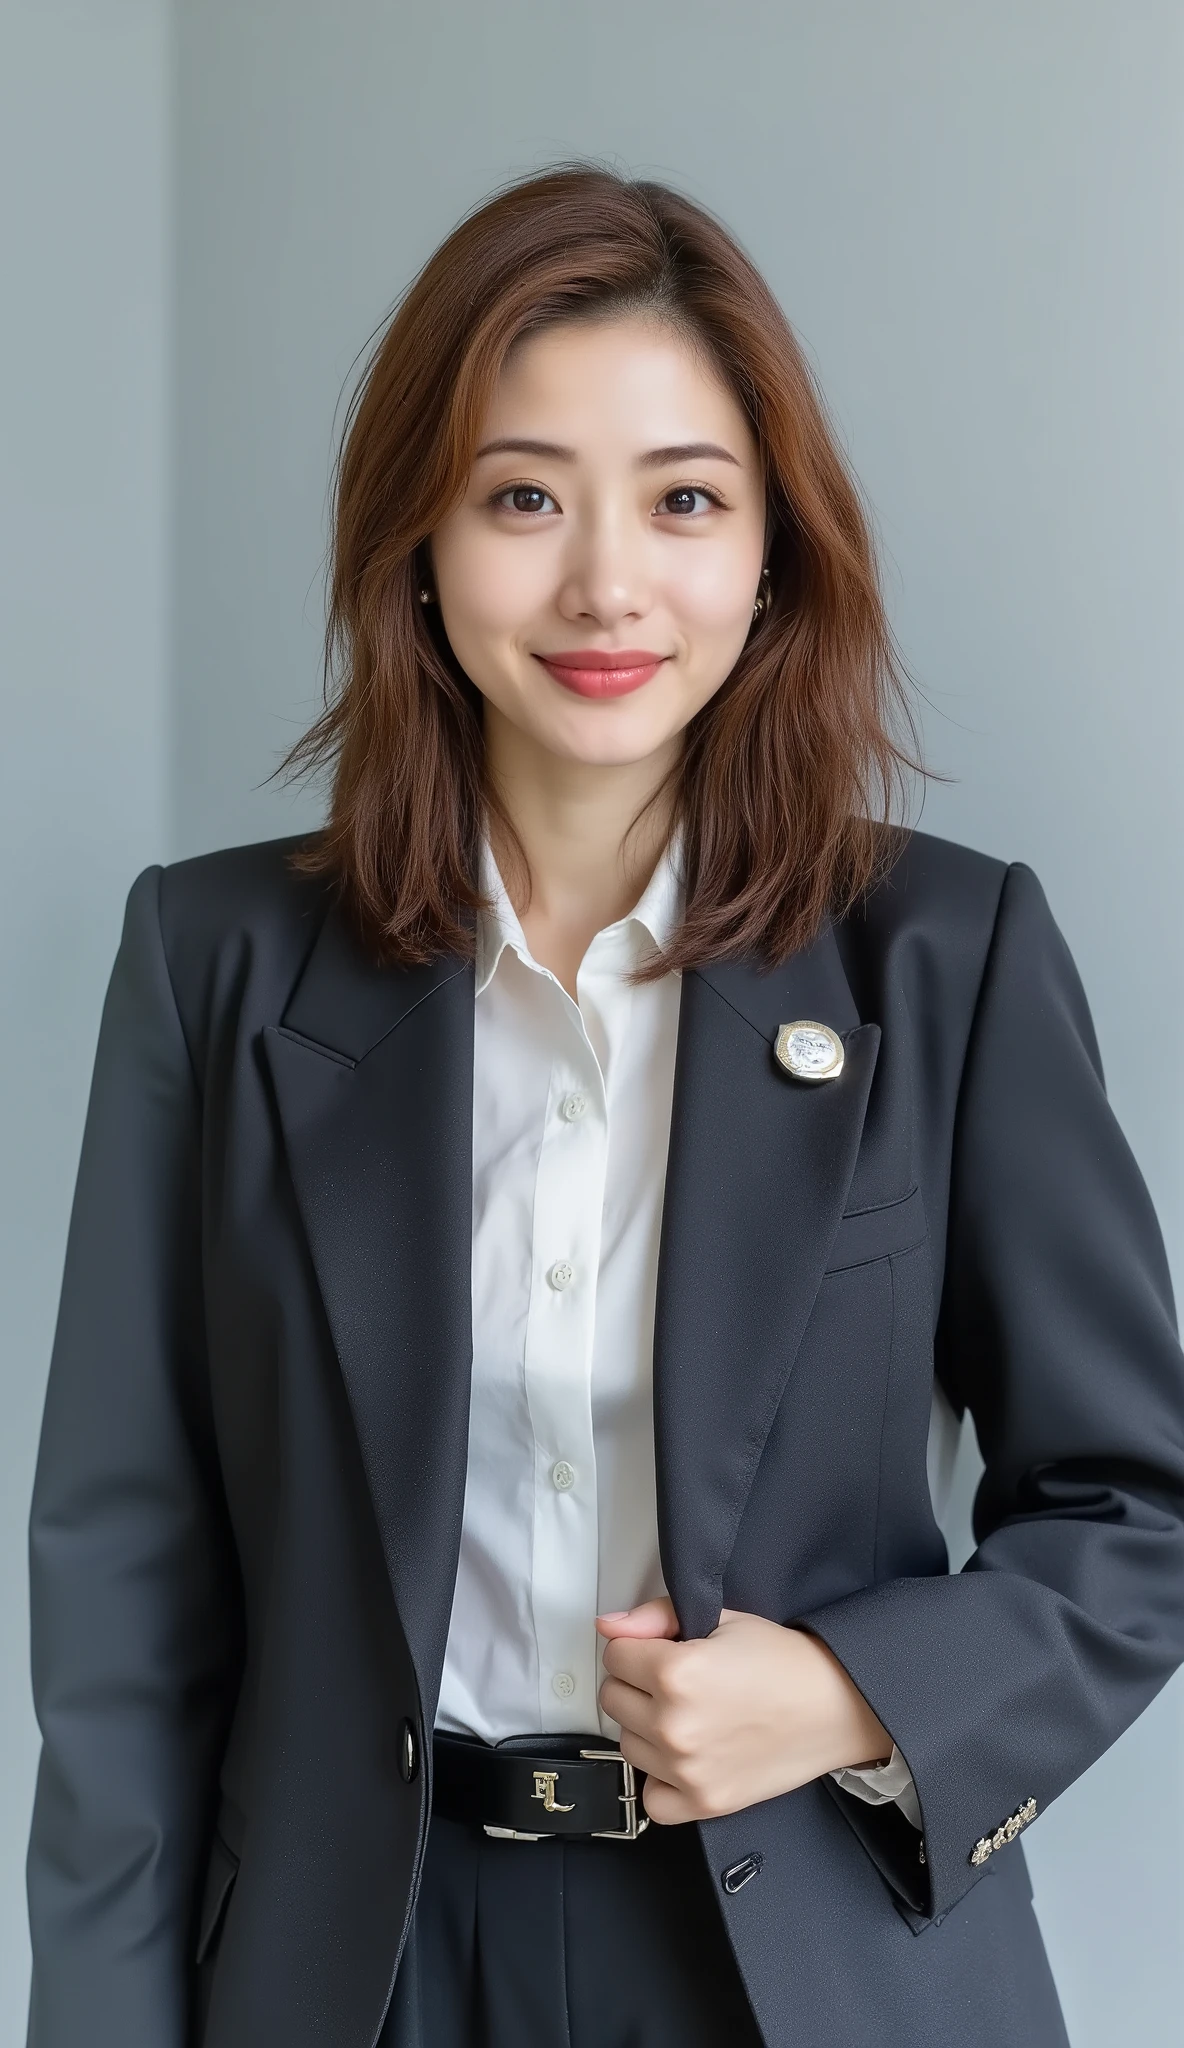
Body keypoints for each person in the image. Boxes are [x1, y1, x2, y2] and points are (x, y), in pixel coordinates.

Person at [24, 163, 1184, 2048]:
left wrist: (843, 1692)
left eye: (686, 500)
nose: (605, 585)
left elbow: (1140, 1509)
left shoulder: (942, 957)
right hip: (360, 1974)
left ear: (771, 556)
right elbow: (124, 1604)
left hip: (805, 1961)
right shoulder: (215, 965)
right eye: (523, 497)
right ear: (418, 539)